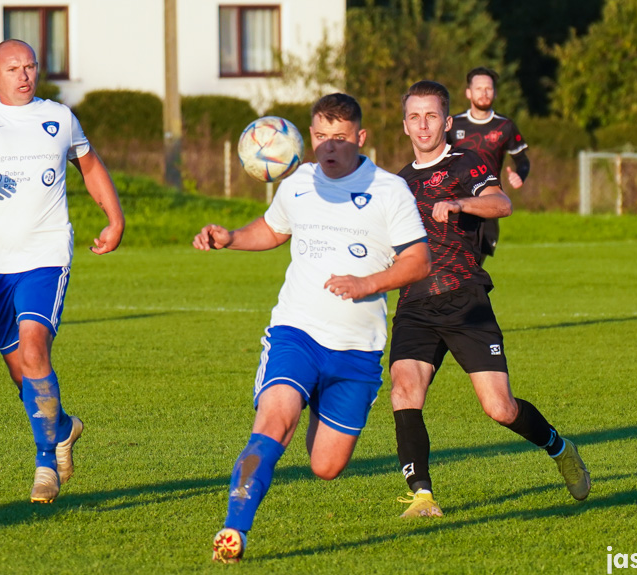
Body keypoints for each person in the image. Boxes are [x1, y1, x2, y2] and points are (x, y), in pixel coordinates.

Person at [194, 93, 430, 563]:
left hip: (356, 351)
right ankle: (233, 531)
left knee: (325, 466)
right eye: (321, 136)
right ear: (310, 137)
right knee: (274, 421)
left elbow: (419, 260)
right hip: (296, 332)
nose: (329, 147)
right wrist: (232, 238)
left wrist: (368, 283)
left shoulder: (388, 190)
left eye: (340, 138)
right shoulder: (297, 182)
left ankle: (318, 399)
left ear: (360, 138)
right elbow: (273, 229)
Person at [0, 39, 124, 504]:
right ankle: (63, 427)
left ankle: (44, 464)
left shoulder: (60, 118)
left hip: (46, 255)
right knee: (22, 373)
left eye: (30, 66)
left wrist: (115, 220)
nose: (24, 74)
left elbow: (90, 166)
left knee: (35, 348)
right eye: (12, 67)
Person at [391, 80, 589, 518]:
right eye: (414, 117)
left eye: (431, 116)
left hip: (466, 301)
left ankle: (559, 448)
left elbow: (501, 204)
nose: (423, 125)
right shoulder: (396, 184)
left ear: (447, 120)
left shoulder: (469, 163)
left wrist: (460, 203)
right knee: (404, 390)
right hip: (415, 304)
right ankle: (422, 496)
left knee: (499, 408)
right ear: (404, 125)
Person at [447, 66, 530, 264]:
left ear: (495, 92)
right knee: (454, 266)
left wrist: (520, 175)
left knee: (475, 266)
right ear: (468, 92)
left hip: (489, 204)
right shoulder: (452, 125)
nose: (484, 93)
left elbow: (522, 160)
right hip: (455, 203)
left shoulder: (505, 126)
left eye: (488, 89)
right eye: (479, 88)